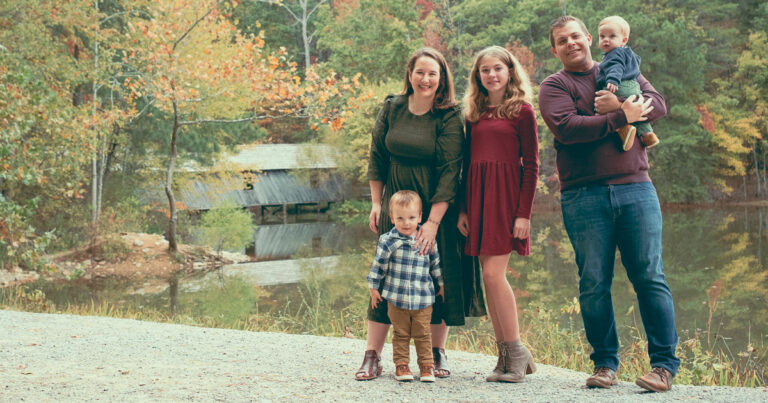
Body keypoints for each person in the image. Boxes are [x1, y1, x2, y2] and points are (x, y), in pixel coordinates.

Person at [538, 16, 681, 393]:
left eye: (575, 36)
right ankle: (605, 365)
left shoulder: (622, 63)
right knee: (593, 282)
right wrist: (621, 116)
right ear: (555, 50)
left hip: (636, 189)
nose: (571, 43)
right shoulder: (555, 86)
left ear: (588, 38)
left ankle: (663, 367)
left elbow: (660, 106)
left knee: (650, 277)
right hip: (583, 196)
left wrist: (618, 106)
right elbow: (569, 129)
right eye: (561, 40)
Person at [355, 47, 486, 381]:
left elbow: (450, 171)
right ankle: (373, 355)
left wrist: (432, 222)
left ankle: (436, 355)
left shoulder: (449, 114)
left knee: (436, 277)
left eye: (433, 74)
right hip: (396, 206)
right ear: (409, 74)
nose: (426, 79)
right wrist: (376, 203)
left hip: (434, 206)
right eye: (420, 72)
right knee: (387, 275)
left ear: (441, 79)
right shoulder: (392, 107)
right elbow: (376, 157)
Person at [457, 46, 539, 383]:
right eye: (484, 70)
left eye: (497, 69)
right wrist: (463, 207)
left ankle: (516, 351)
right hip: (477, 197)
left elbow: (532, 166)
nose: (491, 75)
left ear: (510, 71)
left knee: (494, 275)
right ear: (478, 76)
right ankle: (505, 355)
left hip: (506, 199)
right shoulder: (472, 113)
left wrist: (524, 214)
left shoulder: (522, 111)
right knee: (488, 280)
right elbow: (465, 164)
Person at [367, 190, 445, 382]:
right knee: (400, 334)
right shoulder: (388, 241)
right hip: (396, 298)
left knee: (423, 334)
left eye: (411, 217)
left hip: (423, 298)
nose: (406, 223)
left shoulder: (426, 239)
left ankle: (427, 367)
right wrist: (373, 288)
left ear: (420, 217)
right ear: (392, 218)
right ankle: (402, 366)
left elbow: (435, 264)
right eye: (400, 218)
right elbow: (379, 266)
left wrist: (441, 285)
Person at [597, 15, 659, 151]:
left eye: (612, 36)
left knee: (601, 103)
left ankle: (623, 128)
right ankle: (647, 134)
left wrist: (612, 79)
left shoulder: (614, 54)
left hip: (619, 86)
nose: (606, 40)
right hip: (634, 87)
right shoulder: (629, 53)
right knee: (638, 111)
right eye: (602, 36)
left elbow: (616, 66)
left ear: (623, 40)